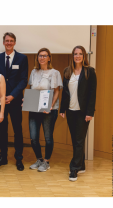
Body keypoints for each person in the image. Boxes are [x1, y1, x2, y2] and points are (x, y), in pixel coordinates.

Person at [60, 45, 97, 182]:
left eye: (80, 53)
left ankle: (74, 168)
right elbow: (65, 92)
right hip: (70, 111)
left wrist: (90, 112)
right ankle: (81, 164)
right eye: (75, 54)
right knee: (75, 140)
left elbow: (93, 94)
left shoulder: (89, 71)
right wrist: (62, 109)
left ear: (84, 56)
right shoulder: (67, 71)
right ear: (73, 55)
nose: (78, 56)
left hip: (83, 113)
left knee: (80, 140)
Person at [0, 32, 28, 170]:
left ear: (14, 43)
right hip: (0, 100)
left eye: (11, 41)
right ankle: (3, 157)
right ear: (3, 43)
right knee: (2, 130)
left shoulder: (22, 58)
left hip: (15, 100)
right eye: (6, 41)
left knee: (17, 130)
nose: (9, 43)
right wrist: (2, 96)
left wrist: (12, 95)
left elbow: (23, 80)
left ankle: (19, 158)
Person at [26, 48, 63, 172]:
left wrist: (50, 106)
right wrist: (26, 101)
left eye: (44, 56)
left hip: (49, 109)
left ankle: (46, 162)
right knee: (33, 137)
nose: (42, 58)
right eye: (40, 56)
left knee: (48, 137)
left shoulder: (55, 72)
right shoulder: (34, 72)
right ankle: (39, 159)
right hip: (34, 108)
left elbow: (56, 92)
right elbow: (31, 89)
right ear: (37, 58)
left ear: (49, 58)